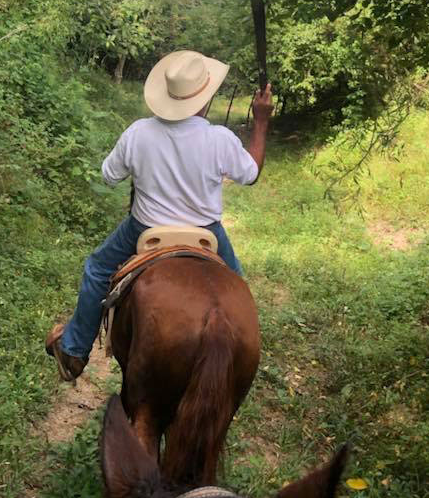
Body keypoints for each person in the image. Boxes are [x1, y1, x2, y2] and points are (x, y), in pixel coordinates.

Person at [45, 49, 273, 382]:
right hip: (206, 233)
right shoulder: (219, 139)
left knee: (97, 270)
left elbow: (109, 176)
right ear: (205, 97)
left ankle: (75, 351)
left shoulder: (138, 132)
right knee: (237, 289)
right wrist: (262, 122)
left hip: (144, 230)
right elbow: (251, 173)